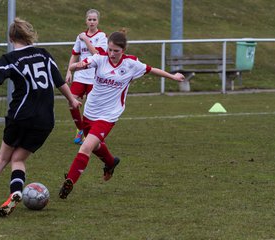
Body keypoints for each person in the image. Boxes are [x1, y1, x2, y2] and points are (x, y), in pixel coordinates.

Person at [0, 17, 81, 216]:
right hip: (45, 120)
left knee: (3, 158)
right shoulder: (44, 55)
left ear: (12, 38)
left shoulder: (9, 59)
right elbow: (59, 81)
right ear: (28, 35)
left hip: (21, 116)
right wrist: (72, 100)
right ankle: (16, 193)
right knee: (18, 160)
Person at [59, 30, 185, 199]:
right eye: (110, 49)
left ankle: (70, 182)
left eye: (116, 51)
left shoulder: (131, 64)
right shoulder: (100, 58)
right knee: (95, 146)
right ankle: (111, 163)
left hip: (109, 115)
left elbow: (151, 69)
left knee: (86, 146)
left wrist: (173, 76)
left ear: (123, 50)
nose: (112, 54)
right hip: (90, 111)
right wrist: (76, 66)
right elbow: (78, 65)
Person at [65, 9, 108, 145]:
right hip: (80, 75)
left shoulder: (101, 36)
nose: (92, 22)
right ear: (86, 20)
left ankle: (93, 134)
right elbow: (75, 54)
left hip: (95, 77)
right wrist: (69, 71)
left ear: (98, 21)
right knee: (71, 102)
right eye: (89, 19)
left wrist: (86, 39)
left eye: (94, 19)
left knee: (93, 107)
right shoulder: (80, 36)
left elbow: (96, 53)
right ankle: (80, 130)